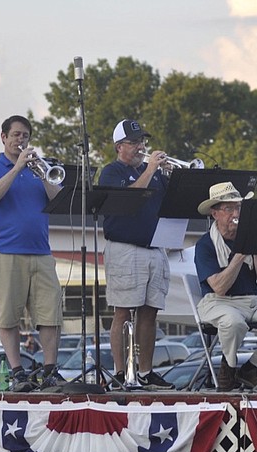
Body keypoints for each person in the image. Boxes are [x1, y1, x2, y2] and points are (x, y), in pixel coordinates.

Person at [0, 115, 64, 392]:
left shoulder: (39, 169)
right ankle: (18, 372)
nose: (20, 139)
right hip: (5, 251)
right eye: (15, 135)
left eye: (24, 135)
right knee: (7, 316)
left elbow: (57, 199)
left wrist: (42, 172)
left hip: (40, 251)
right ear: (3, 137)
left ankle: (50, 370)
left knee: (50, 313)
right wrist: (16, 169)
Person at [194, 182, 257, 391]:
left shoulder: (248, 236)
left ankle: (253, 370)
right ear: (215, 214)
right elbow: (219, 288)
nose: (235, 213)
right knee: (233, 322)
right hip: (218, 302)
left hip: (252, 300)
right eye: (229, 208)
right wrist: (239, 256)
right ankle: (228, 370)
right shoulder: (205, 244)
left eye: (238, 208)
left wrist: (255, 247)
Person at [98, 119, 175, 390]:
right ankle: (121, 372)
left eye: (141, 141)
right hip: (125, 249)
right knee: (123, 311)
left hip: (155, 248)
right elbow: (130, 197)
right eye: (133, 142)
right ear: (119, 146)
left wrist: (168, 175)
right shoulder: (111, 171)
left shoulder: (153, 171)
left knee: (149, 313)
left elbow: (172, 203)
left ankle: (145, 371)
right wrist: (151, 168)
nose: (140, 147)